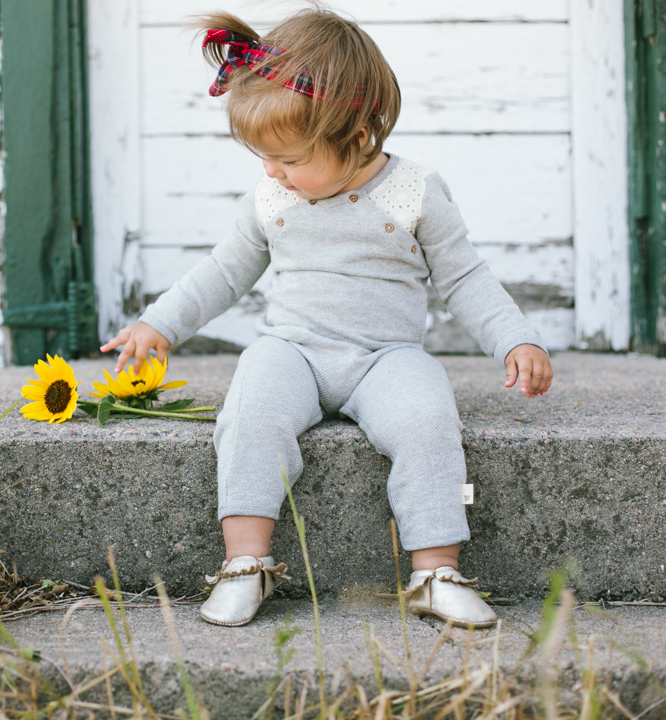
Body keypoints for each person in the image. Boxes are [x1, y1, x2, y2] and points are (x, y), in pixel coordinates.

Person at [100, 7, 553, 629]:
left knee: (428, 419)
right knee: (251, 411)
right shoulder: (271, 197)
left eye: (287, 158)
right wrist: (160, 323)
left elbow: (465, 277)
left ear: (359, 137)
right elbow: (222, 271)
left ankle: (436, 569)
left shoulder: (414, 192)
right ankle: (245, 563)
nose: (271, 171)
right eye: (262, 157)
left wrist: (515, 338)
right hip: (292, 349)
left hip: (385, 357)